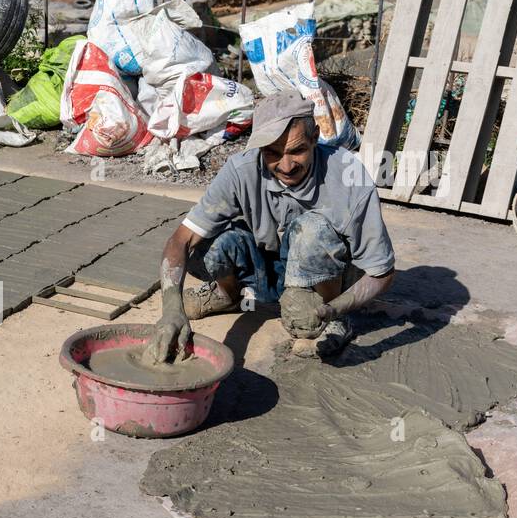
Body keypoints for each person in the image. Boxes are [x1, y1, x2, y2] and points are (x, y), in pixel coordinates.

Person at [146, 89, 395, 362]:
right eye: (272, 153)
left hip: (330, 283)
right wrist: (171, 308)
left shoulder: (350, 178)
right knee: (208, 244)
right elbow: (181, 240)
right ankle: (229, 295)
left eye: (297, 151)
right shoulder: (241, 170)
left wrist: (337, 308)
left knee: (311, 230)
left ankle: (330, 319)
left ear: (315, 139)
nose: (286, 165)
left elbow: (381, 272)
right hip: (269, 269)